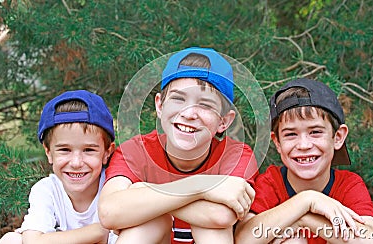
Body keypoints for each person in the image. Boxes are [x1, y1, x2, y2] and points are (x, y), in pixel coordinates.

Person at [98, 47, 259, 244]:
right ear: (159, 105)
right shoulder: (136, 151)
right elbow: (109, 212)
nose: (189, 113)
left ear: (224, 121)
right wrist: (200, 186)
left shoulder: (235, 155)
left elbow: (221, 216)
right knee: (151, 222)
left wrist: (143, 190)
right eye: (178, 99)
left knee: (212, 229)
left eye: (205, 105)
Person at [235, 78, 373, 243]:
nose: (304, 145)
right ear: (277, 142)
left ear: (338, 137)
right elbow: (243, 239)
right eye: (291, 134)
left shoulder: (348, 185)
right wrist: (307, 200)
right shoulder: (271, 183)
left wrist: (303, 218)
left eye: (315, 132)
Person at [0, 90, 117, 244]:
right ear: (48, 152)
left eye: (89, 150)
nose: (76, 162)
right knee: (10, 240)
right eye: (64, 150)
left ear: (107, 152)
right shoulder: (47, 190)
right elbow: (33, 241)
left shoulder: (114, 187)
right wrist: (98, 232)